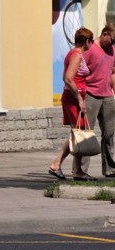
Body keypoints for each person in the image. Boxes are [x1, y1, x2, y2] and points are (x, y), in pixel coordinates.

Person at [49, 26, 93, 180]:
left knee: (77, 133)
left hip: (74, 97)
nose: (91, 44)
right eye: (90, 41)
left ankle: (76, 171)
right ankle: (56, 164)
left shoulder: (73, 54)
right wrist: (80, 99)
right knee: (77, 133)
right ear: (86, 41)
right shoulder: (76, 55)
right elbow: (68, 78)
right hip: (73, 98)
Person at [81, 24, 115, 178]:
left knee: (109, 133)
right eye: (112, 40)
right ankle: (81, 171)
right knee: (86, 133)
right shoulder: (90, 49)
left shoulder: (112, 50)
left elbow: (112, 72)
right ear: (105, 34)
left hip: (107, 95)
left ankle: (109, 168)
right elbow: (78, 71)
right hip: (91, 95)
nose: (113, 43)